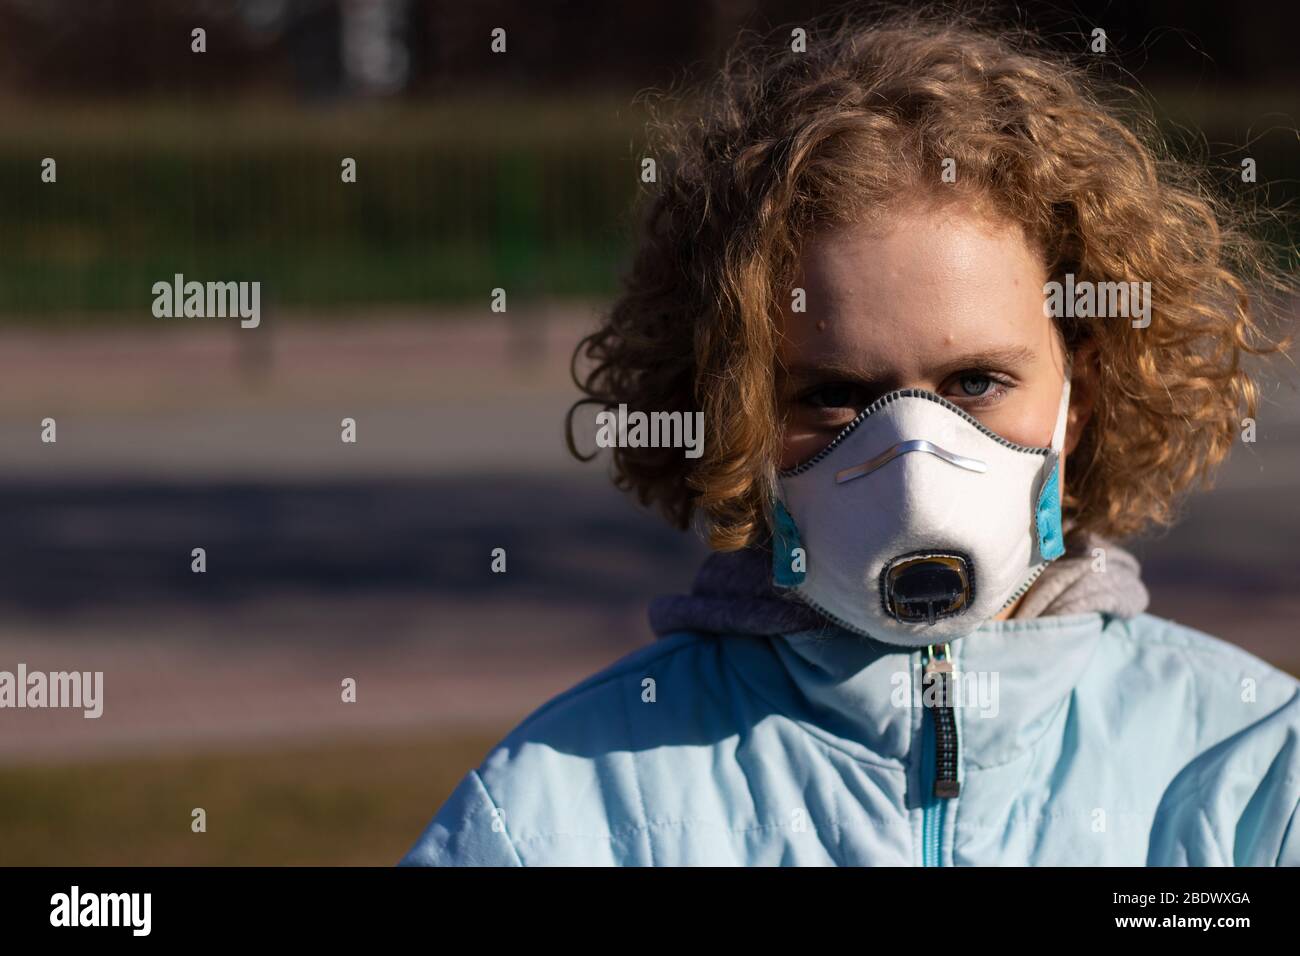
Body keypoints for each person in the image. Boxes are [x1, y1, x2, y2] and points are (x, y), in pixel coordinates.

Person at [400, 8, 1299, 866]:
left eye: (975, 383)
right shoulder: (566, 813)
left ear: (1083, 396)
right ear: (729, 414)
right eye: (834, 394)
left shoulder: (1254, 774)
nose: (915, 461)